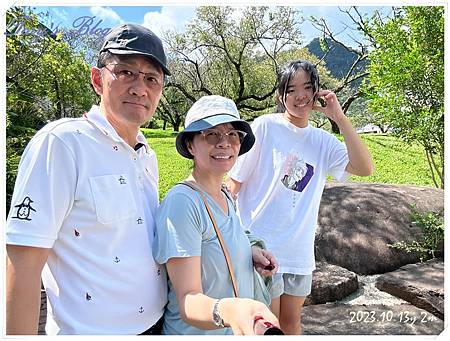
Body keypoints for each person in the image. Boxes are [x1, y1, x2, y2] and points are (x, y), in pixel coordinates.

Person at [6, 23, 170, 335]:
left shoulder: (146, 152)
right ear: (97, 79)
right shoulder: (63, 143)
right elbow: (23, 263)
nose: (140, 88)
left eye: (152, 78)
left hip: (155, 325)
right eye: (126, 72)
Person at [226, 60, 374, 334]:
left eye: (307, 87)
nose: (300, 96)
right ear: (281, 95)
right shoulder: (264, 127)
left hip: (299, 252)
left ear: (317, 91)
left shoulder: (322, 141)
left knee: (293, 323)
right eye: (291, 89)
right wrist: (229, 236)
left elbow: (364, 167)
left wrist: (339, 118)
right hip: (262, 249)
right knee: (266, 325)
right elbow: (234, 182)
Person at [153, 95, 280, 335]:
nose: (225, 143)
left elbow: (223, 241)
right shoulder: (184, 203)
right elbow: (188, 300)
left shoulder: (225, 194)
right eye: (211, 134)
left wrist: (250, 252)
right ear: (191, 145)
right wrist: (231, 312)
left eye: (233, 135)